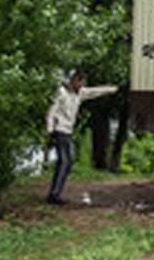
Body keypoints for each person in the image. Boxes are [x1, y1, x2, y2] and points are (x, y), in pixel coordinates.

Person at [44, 71, 117, 205]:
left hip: (68, 131)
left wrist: (113, 89)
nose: (82, 86)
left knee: (68, 161)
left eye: (83, 84)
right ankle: (53, 195)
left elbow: (95, 91)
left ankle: (55, 193)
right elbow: (51, 112)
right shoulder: (61, 92)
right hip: (59, 131)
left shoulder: (80, 94)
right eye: (80, 83)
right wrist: (50, 131)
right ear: (74, 81)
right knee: (65, 161)